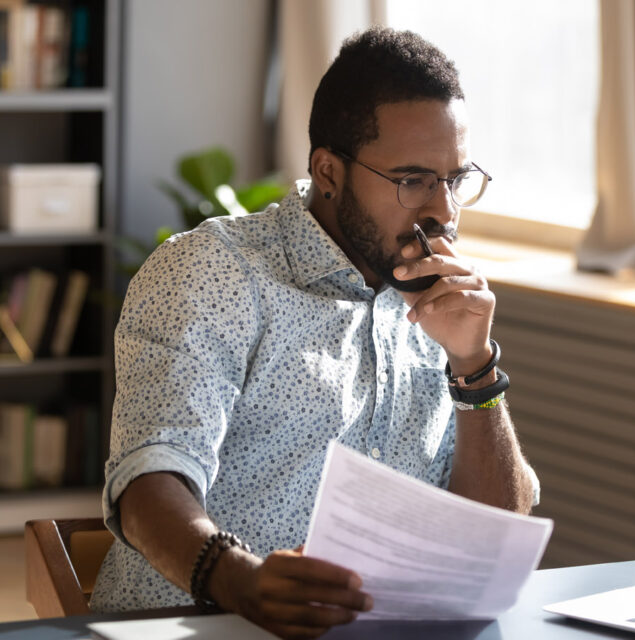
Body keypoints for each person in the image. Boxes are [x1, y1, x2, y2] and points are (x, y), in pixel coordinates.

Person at [90, 26, 538, 639]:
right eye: (412, 181)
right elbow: (149, 479)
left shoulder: (440, 306)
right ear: (329, 171)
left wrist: (473, 366)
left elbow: (492, 538)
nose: (444, 213)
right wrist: (239, 582)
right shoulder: (214, 273)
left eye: (454, 180)